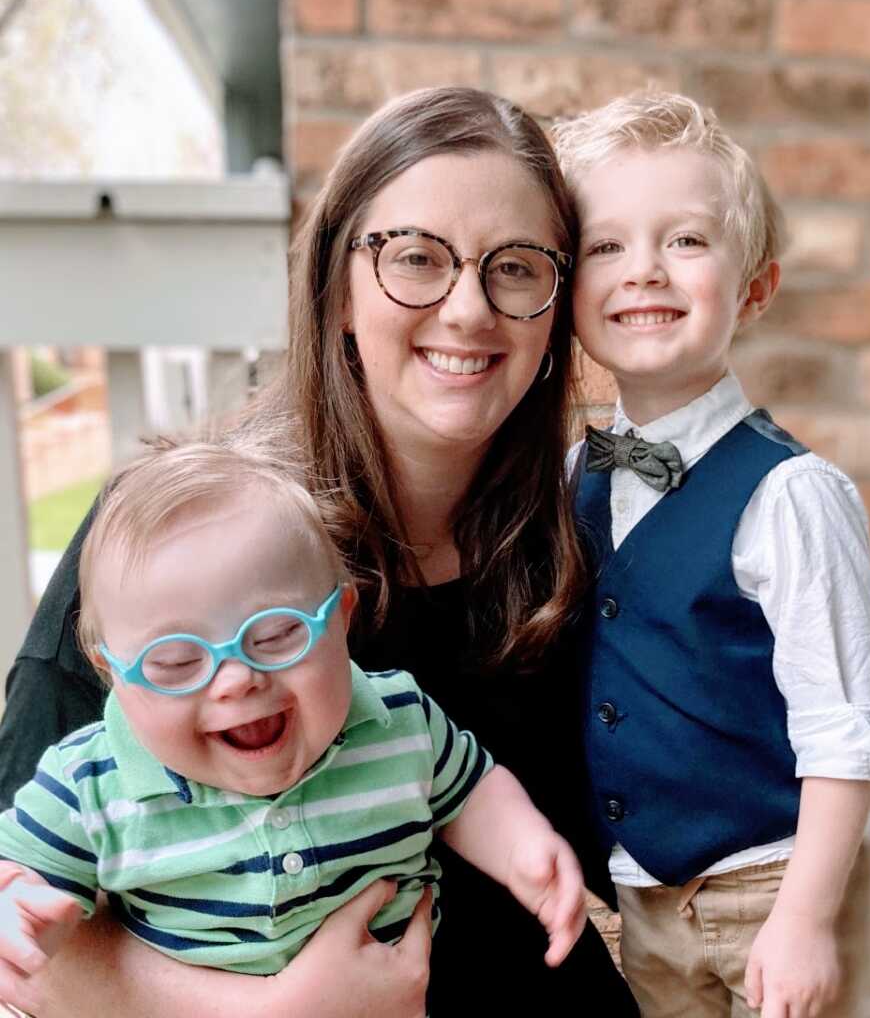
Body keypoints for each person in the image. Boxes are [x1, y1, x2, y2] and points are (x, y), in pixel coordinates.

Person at [0, 86, 638, 1017]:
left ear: (556, 308)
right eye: (417, 258)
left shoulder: (582, 549)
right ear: (338, 287)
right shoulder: (174, 548)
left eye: (515, 267)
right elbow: (32, 929)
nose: (468, 308)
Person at [0, 440, 586, 990]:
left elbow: (471, 792)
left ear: (342, 616)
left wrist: (523, 847)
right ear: (111, 674)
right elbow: (20, 873)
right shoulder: (90, 784)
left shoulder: (398, 720)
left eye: (278, 634)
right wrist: (22, 911)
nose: (236, 680)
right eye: (176, 662)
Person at [553, 90, 870, 1018]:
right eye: (607, 245)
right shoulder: (572, 476)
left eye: (688, 241)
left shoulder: (791, 495)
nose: (645, 272)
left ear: (754, 287)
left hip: (764, 890)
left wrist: (806, 918)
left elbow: (845, 728)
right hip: (627, 897)